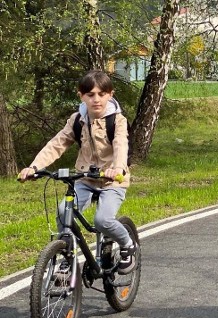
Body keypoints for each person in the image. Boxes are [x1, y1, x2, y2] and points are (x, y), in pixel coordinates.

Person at [18, 70, 136, 275]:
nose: (96, 99)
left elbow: (120, 144)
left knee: (103, 221)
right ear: (81, 95)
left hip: (112, 180)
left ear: (110, 94)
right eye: (90, 94)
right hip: (85, 178)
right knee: (65, 212)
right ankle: (67, 258)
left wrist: (117, 167)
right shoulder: (77, 120)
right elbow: (56, 144)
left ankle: (128, 245)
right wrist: (34, 167)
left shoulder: (117, 121)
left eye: (101, 94)